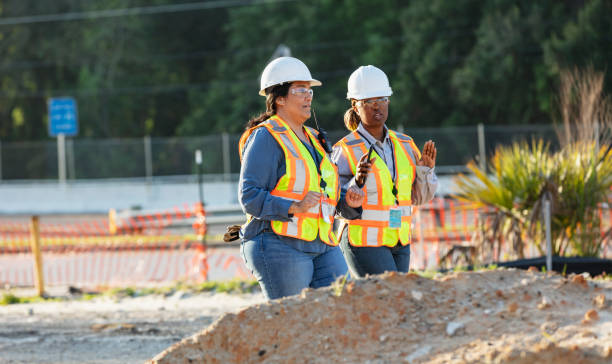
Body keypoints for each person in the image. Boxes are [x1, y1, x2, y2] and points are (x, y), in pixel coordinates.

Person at [237, 57, 364, 300]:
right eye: (300, 90)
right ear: (280, 98)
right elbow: (249, 195)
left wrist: (348, 203)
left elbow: (326, 196)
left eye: (309, 90)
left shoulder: (315, 139)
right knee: (292, 322)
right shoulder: (266, 137)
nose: (308, 96)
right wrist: (293, 206)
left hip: (322, 244)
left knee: (341, 310)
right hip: (278, 245)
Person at [332, 65, 438, 278]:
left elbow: (418, 198)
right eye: (369, 101)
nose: (377, 107)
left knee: (395, 302)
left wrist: (425, 172)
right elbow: (335, 202)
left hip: (399, 239)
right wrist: (356, 183)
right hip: (364, 241)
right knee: (385, 297)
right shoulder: (345, 149)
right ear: (355, 105)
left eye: (382, 99)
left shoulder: (406, 145)